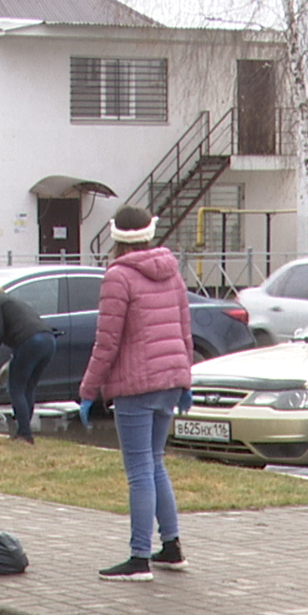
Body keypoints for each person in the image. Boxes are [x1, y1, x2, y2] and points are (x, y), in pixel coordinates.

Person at [77, 206, 194, 582]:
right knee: (156, 462)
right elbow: (184, 329)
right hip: (170, 380)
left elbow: (107, 341)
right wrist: (185, 380)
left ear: (116, 237)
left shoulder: (118, 276)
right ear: (149, 232)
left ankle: (139, 557)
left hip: (135, 384)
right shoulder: (171, 270)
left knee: (140, 470)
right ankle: (172, 547)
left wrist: (87, 390)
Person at [0, 285, 55, 444]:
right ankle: (23, 431)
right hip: (48, 340)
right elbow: (22, 329)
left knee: (16, 388)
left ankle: (25, 434)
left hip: (30, 341)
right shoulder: (12, 301)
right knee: (28, 388)